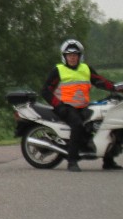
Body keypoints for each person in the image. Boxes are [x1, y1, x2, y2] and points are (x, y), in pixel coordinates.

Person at [41, 39, 120, 172]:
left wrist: (117, 88)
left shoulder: (86, 69)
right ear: (64, 56)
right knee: (77, 125)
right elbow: (45, 90)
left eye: (75, 55)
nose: (72, 58)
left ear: (79, 56)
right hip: (65, 107)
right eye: (69, 55)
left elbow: (101, 82)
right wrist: (58, 105)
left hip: (83, 106)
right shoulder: (58, 70)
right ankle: (72, 161)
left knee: (104, 122)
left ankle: (108, 160)